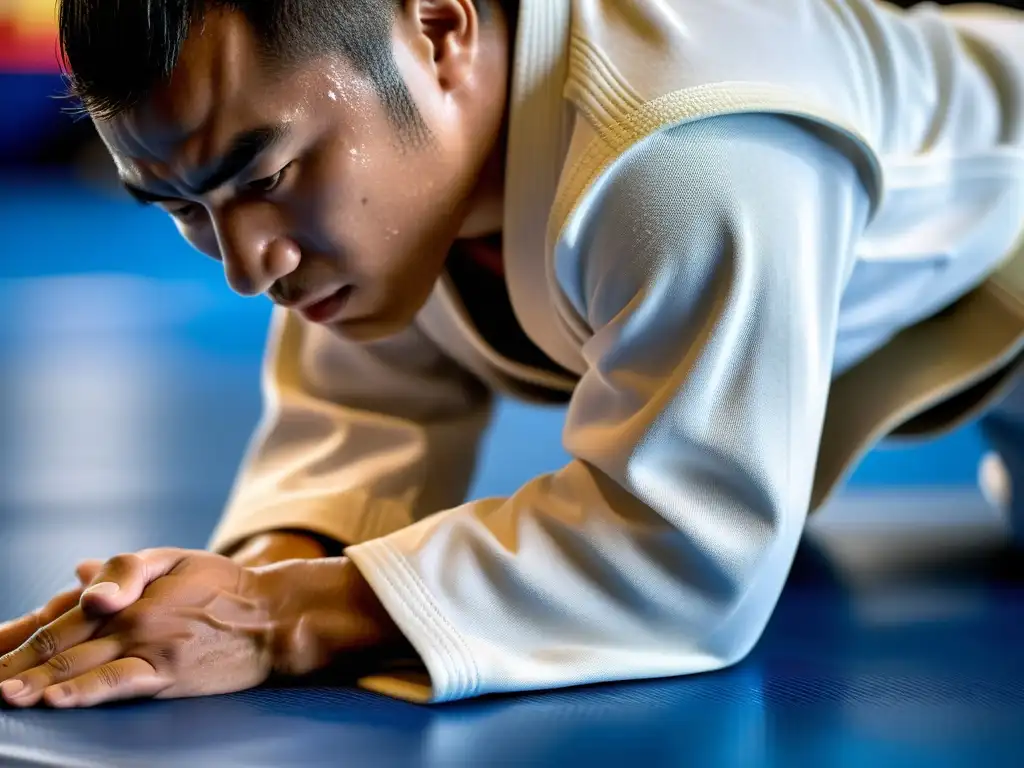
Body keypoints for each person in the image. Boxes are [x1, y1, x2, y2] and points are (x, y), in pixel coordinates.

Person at [2, 0, 1024, 709]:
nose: (242, 266)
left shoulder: (688, 144)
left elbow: (683, 551)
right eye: (185, 208)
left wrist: (277, 621)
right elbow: (365, 422)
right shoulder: (376, 165)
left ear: (439, 31)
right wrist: (227, 589)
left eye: (263, 175)